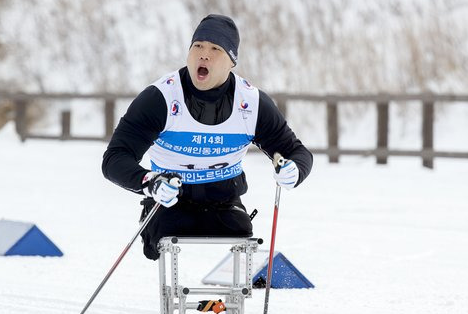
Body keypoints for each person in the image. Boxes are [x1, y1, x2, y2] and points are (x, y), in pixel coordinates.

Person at [102, 14, 313, 260]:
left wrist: (295, 170)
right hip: (171, 198)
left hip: (223, 201)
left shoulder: (252, 103)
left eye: (215, 49)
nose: (204, 54)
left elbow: (296, 151)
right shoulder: (160, 98)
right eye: (198, 46)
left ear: (231, 61)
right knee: (162, 231)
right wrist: (149, 182)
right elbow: (114, 158)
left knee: (241, 229)